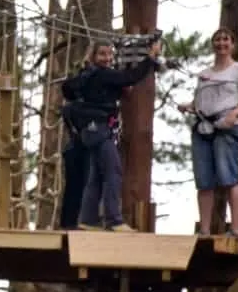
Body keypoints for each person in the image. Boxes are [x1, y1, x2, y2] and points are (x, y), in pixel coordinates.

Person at [62, 37, 163, 231]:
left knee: (97, 175)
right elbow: (130, 77)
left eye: (110, 54)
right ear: (92, 57)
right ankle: (114, 219)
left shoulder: (87, 76)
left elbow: (119, 83)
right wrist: (150, 58)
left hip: (91, 130)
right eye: (102, 54)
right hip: (98, 129)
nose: (107, 58)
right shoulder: (101, 75)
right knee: (113, 171)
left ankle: (88, 219)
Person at [176, 27, 238, 238]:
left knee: (229, 177)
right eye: (217, 39)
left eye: (226, 39)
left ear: (232, 45)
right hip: (203, 127)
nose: (221, 43)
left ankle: (235, 228)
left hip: (227, 127)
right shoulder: (204, 74)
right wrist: (188, 106)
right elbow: (200, 101)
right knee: (204, 181)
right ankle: (204, 230)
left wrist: (233, 116)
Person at [58, 63, 92, 229]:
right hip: (82, 149)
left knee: (73, 190)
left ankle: (69, 223)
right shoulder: (79, 107)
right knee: (83, 188)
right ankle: (78, 223)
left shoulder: (69, 108)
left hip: (74, 149)